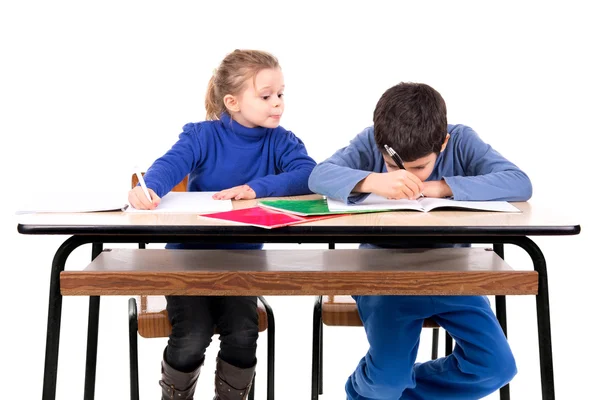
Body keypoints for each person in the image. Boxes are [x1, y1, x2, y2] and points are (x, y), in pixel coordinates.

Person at [308, 82, 532, 400]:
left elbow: (519, 182)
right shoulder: (372, 141)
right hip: (383, 275)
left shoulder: (462, 139)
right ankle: (376, 391)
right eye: (392, 167)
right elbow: (319, 176)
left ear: (443, 143)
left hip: (451, 273)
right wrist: (375, 180)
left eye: (418, 168)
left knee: (496, 366)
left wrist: (441, 187)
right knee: (387, 379)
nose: (406, 179)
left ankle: (381, 396)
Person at [128, 49, 316, 400]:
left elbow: (308, 175)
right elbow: (172, 163)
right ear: (232, 101)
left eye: (281, 94)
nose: (277, 103)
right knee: (193, 333)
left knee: (244, 334)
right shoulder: (201, 135)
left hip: (240, 264)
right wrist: (150, 187)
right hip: (187, 262)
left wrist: (256, 188)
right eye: (265, 96)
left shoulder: (281, 140)